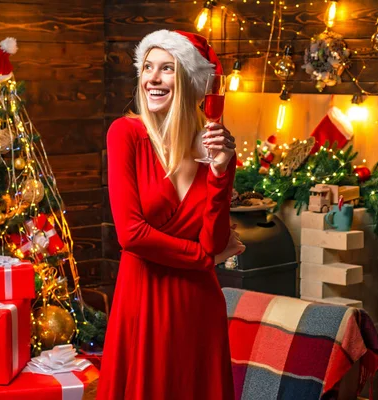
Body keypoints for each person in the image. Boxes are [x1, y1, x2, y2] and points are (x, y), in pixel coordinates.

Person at [96, 30, 245, 400]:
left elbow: (213, 238)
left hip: (198, 306)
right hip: (142, 302)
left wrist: (221, 172)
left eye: (167, 69)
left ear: (190, 82)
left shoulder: (213, 148)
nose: (153, 79)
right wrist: (204, 259)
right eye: (148, 68)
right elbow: (131, 234)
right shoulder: (125, 134)